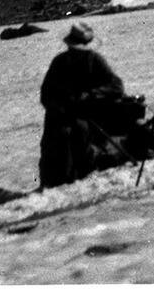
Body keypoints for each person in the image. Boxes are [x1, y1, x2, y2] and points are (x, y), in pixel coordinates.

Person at [38, 22, 137, 189]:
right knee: (55, 137)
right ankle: (53, 181)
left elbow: (116, 86)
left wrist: (92, 94)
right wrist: (57, 107)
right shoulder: (59, 63)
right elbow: (46, 94)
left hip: (89, 113)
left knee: (80, 131)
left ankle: (83, 174)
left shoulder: (95, 60)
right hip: (61, 114)